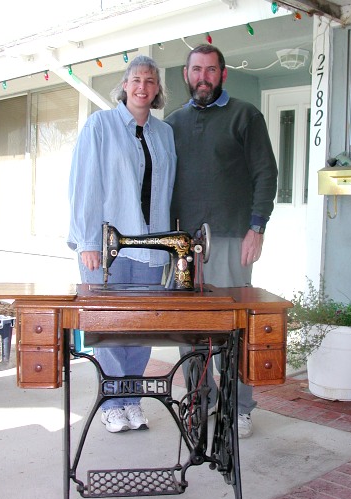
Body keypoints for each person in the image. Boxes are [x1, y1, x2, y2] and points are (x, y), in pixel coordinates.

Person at [165, 44, 277, 439]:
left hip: (231, 237)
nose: (203, 77)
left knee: (234, 326)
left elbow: (266, 173)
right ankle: (203, 400)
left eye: (211, 70)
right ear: (186, 74)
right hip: (183, 243)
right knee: (189, 330)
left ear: (223, 74)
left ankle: (239, 406)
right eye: (196, 70)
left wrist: (256, 227)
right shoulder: (172, 123)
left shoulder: (246, 116)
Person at [68, 55, 176, 433]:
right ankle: (113, 403)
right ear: (125, 85)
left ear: (157, 89)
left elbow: (167, 190)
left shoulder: (165, 134)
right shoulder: (100, 125)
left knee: (141, 328)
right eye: (136, 80)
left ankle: (132, 399)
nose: (142, 87)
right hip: (105, 247)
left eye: (150, 80)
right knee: (110, 327)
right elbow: (84, 185)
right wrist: (87, 241)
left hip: (150, 247)